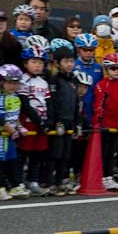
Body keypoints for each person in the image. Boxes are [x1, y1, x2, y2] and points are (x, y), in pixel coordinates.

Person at [17, 45, 51, 196]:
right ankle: (18, 182)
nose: (37, 65)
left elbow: (49, 102)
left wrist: (49, 120)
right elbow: (25, 104)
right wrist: (39, 121)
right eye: (34, 61)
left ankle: (33, 180)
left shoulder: (43, 82)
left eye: (40, 62)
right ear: (25, 63)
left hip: (42, 121)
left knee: (38, 153)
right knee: (24, 152)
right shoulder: (22, 80)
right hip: (29, 121)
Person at [93, 52, 118, 190]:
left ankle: (109, 176)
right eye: (113, 68)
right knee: (103, 152)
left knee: (111, 153)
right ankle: (102, 177)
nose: (116, 71)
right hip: (104, 127)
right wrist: (98, 122)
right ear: (106, 69)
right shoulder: (102, 85)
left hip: (117, 127)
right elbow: (98, 106)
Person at [0, 64, 30, 200]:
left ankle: (15, 186)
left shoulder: (15, 97)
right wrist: (13, 130)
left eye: (15, 83)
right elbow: (1, 119)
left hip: (12, 135)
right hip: (1, 136)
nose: (13, 86)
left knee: (13, 161)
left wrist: (20, 128)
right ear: (1, 83)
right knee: (0, 162)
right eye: (9, 83)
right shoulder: (1, 98)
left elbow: (15, 117)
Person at [46, 47, 80, 195]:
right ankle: (50, 182)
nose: (69, 64)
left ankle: (61, 181)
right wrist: (56, 121)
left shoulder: (73, 79)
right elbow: (52, 102)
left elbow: (76, 102)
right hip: (58, 122)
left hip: (70, 120)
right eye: (66, 61)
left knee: (66, 154)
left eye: (71, 61)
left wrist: (77, 122)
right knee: (55, 154)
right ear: (58, 63)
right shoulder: (54, 80)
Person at [73, 33, 104, 120]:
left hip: (93, 107)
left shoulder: (98, 67)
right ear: (79, 50)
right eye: (85, 50)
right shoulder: (73, 65)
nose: (88, 53)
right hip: (77, 107)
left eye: (91, 50)